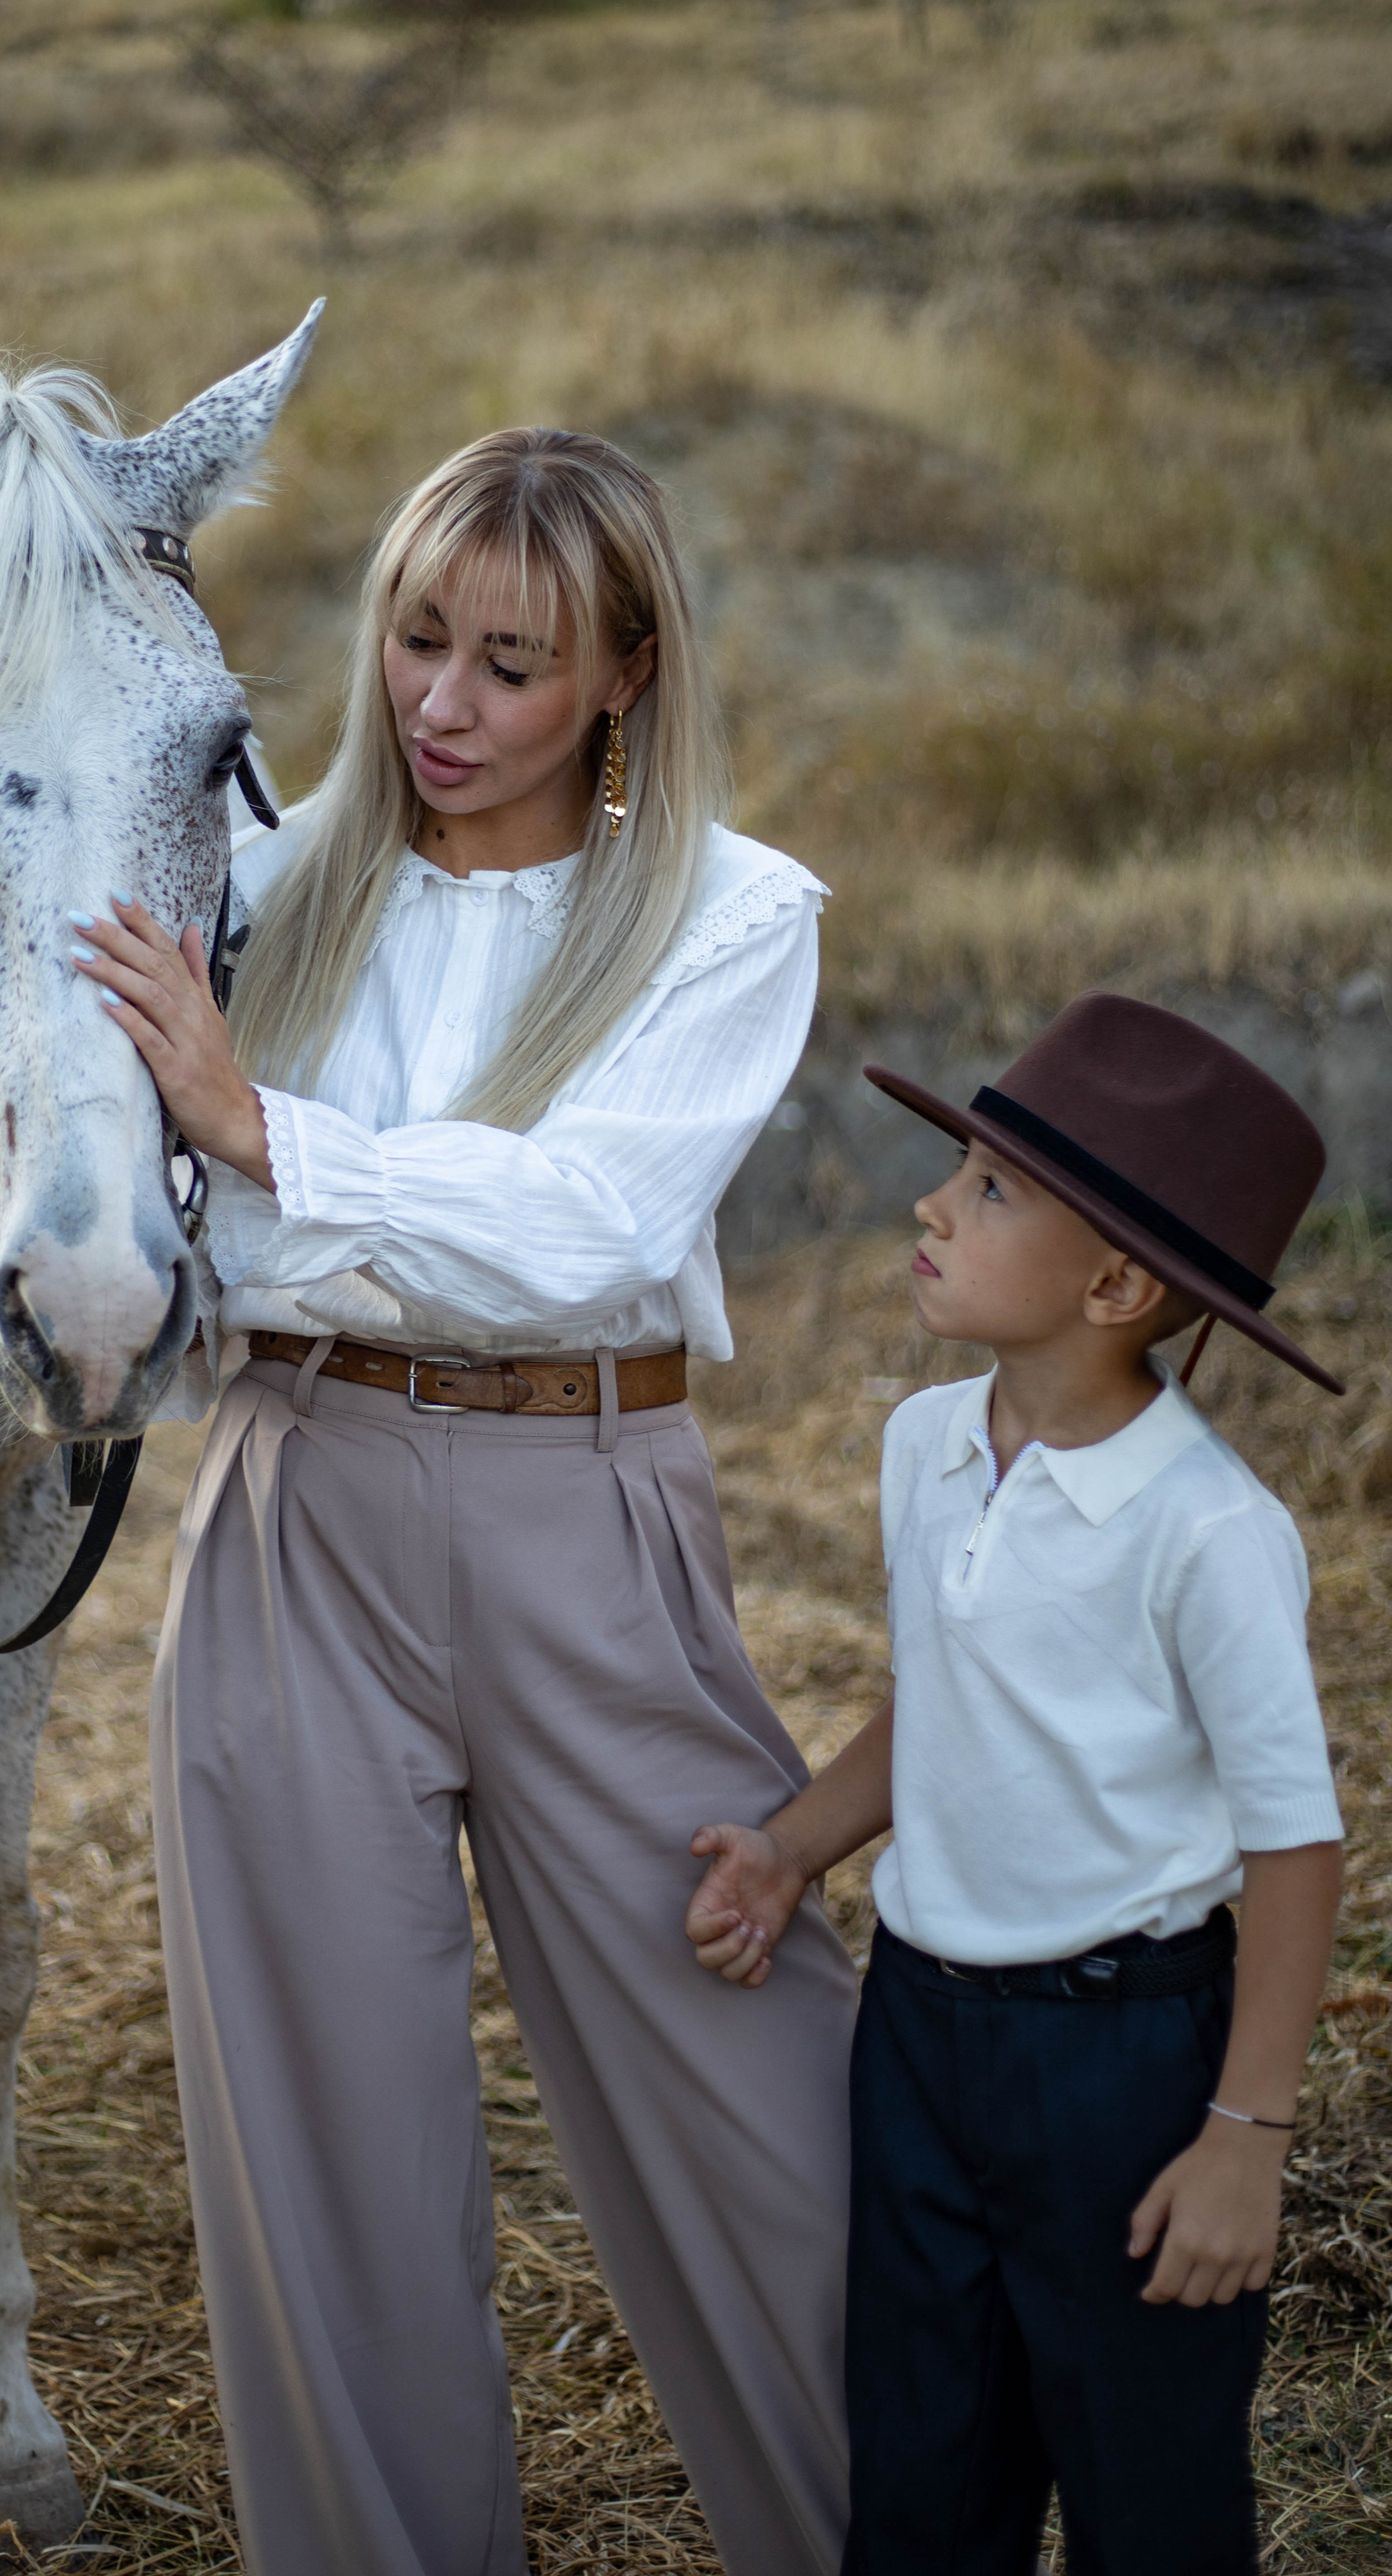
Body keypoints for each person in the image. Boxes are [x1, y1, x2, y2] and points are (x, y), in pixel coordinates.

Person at [68, 428, 858, 2576]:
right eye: (419, 639)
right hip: (293, 1507)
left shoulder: (727, 913)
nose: (444, 703)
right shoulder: (255, 882)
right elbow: (146, 1227)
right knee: (325, 2146)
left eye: (513, 665)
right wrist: (223, 1175)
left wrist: (268, 1139)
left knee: (761, 2084)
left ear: (624, 671)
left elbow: (595, 1226)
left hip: (583, 1506)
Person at [683, 992, 1347, 2576]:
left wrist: (1243, 2133)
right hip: (917, 2036)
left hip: (1121, 2066)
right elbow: (949, 1706)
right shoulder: (923, 1444)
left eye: (986, 1190)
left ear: (1115, 1283)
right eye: (958, 1167)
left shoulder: (1205, 1532)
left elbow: (1295, 1848)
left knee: (1146, 2492)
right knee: (920, 2477)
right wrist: (790, 1851)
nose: (929, 1200)